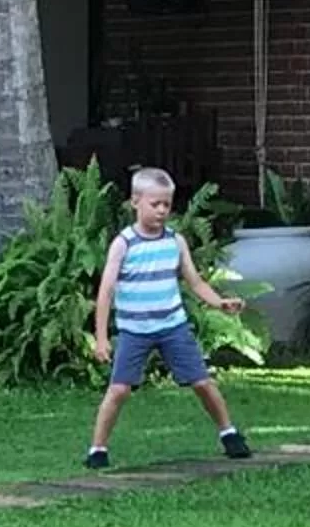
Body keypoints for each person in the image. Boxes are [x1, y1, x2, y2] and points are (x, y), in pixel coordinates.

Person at [85, 167, 252, 470]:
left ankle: (229, 433)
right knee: (119, 389)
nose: (162, 211)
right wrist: (100, 338)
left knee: (202, 382)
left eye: (166, 204)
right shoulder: (124, 244)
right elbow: (106, 292)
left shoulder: (175, 241)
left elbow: (195, 281)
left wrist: (219, 302)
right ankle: (97, 449)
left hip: (172, 326)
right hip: (134, 330)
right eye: (155, 204)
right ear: (135, 202)